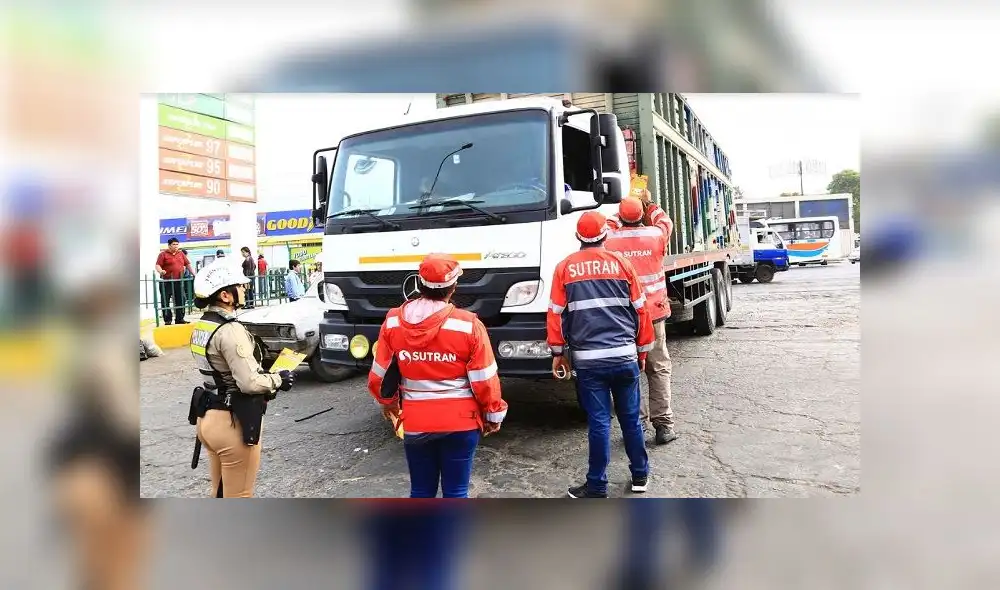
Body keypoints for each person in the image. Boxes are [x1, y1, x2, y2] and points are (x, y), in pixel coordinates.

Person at [368, 253, 507, 498]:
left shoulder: (392, 322)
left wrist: (388, 405)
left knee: (421, 490)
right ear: (453, 288)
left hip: (416, 421)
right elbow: (485, 380)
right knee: (457, 491)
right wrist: (493, 414)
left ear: (419, 284)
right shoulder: (469, 325)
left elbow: (381, 374)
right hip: (461, 421)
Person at [548, 210, 654, 498]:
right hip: (624, 357)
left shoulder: (565, 268)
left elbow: (556, 314)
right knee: (630, 419)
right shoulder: (623, 264)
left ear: (578, 238)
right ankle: (640, 477)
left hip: (588, 361)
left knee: (599, 422)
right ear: (605, 235)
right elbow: (641, 310)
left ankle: (597, 485)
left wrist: (558, 353)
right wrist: (642, 350)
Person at [188, 259, 295, 497]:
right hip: (232, 424)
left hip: (207, 420)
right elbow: (248, 383)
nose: (245, 289)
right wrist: (279, 379)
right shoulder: (230, 329)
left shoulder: (203, 325)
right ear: (226, 295)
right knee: (239, 497)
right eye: (240, 285)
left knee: (218, 494)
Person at [605, 192, 678, 445]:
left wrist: (624, 206)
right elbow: (665, 221)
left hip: (623, 318)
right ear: (642, 216)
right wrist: (648, 203)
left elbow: (608, 224)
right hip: (654, 314)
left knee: (630, 371)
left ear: (621, 217)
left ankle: (637, 426)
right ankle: (664, 425)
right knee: (658, 367)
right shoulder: (655, 235)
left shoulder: (610, 240)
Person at [154, 237, 195, 325]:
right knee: (165, 301)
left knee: (181, 299)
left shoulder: (181, 254)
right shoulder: (163, 254)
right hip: (166, 281)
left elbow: (187, 264)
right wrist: (161, 271)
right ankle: (168, 320)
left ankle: (179, 319)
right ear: (169, 245)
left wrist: (194, 273)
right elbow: (157, 265)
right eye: (174, 244)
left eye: (177, 244)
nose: (176, 246)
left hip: (178, 281)